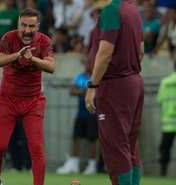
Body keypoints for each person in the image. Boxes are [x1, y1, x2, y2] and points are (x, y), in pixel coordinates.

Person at [0, 8, 55, 185]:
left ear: (38, 26)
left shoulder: (44, 41)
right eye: (23, 25)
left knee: (36, 147)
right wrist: (17, 55)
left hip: (33, 101)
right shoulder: (9, 38)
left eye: (31, 26)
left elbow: (51, 67)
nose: (27, 30)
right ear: (18, 24)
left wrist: (32, 59)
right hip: (7, 99)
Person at [85, 0, 144, 185]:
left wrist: (93, 86)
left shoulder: (111, 11)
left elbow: (105, 53)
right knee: (130, 147)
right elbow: (141, 51)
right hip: (134, 82)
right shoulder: (133, 10)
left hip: (114, 86)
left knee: (116, 149)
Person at [56, 58, 98, 175]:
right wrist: (86, 91)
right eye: (86, 63)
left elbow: (98, 92)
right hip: (81, 113)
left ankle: (92, 165)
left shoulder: (96, 76)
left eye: (89, 63)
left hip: (93, 113)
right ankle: (74, 164)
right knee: (76, 137)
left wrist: (86, 91)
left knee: (92, 139)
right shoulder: (80, 76)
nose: (87, 65)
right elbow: (72, 90)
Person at [156, 62, 176, 176]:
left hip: (168, 122)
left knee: (165, 148)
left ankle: (163, 171)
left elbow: (159, 99)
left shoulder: (165, 82)